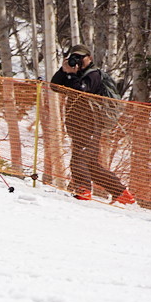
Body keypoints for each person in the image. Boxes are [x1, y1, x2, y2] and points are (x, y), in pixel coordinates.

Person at [51, 44, 135, 204]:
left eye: (81, 57)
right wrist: (64, 71)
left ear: (89, 58)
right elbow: (55, 86)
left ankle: (83, 191)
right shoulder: (75, 74)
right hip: (78, 125)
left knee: (78, 161)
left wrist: (72, 75)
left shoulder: (93, 75)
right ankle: (122, 193)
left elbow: (81, 91)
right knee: (91, 165)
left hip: (89, 124)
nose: (78, 60)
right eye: (74, 57)